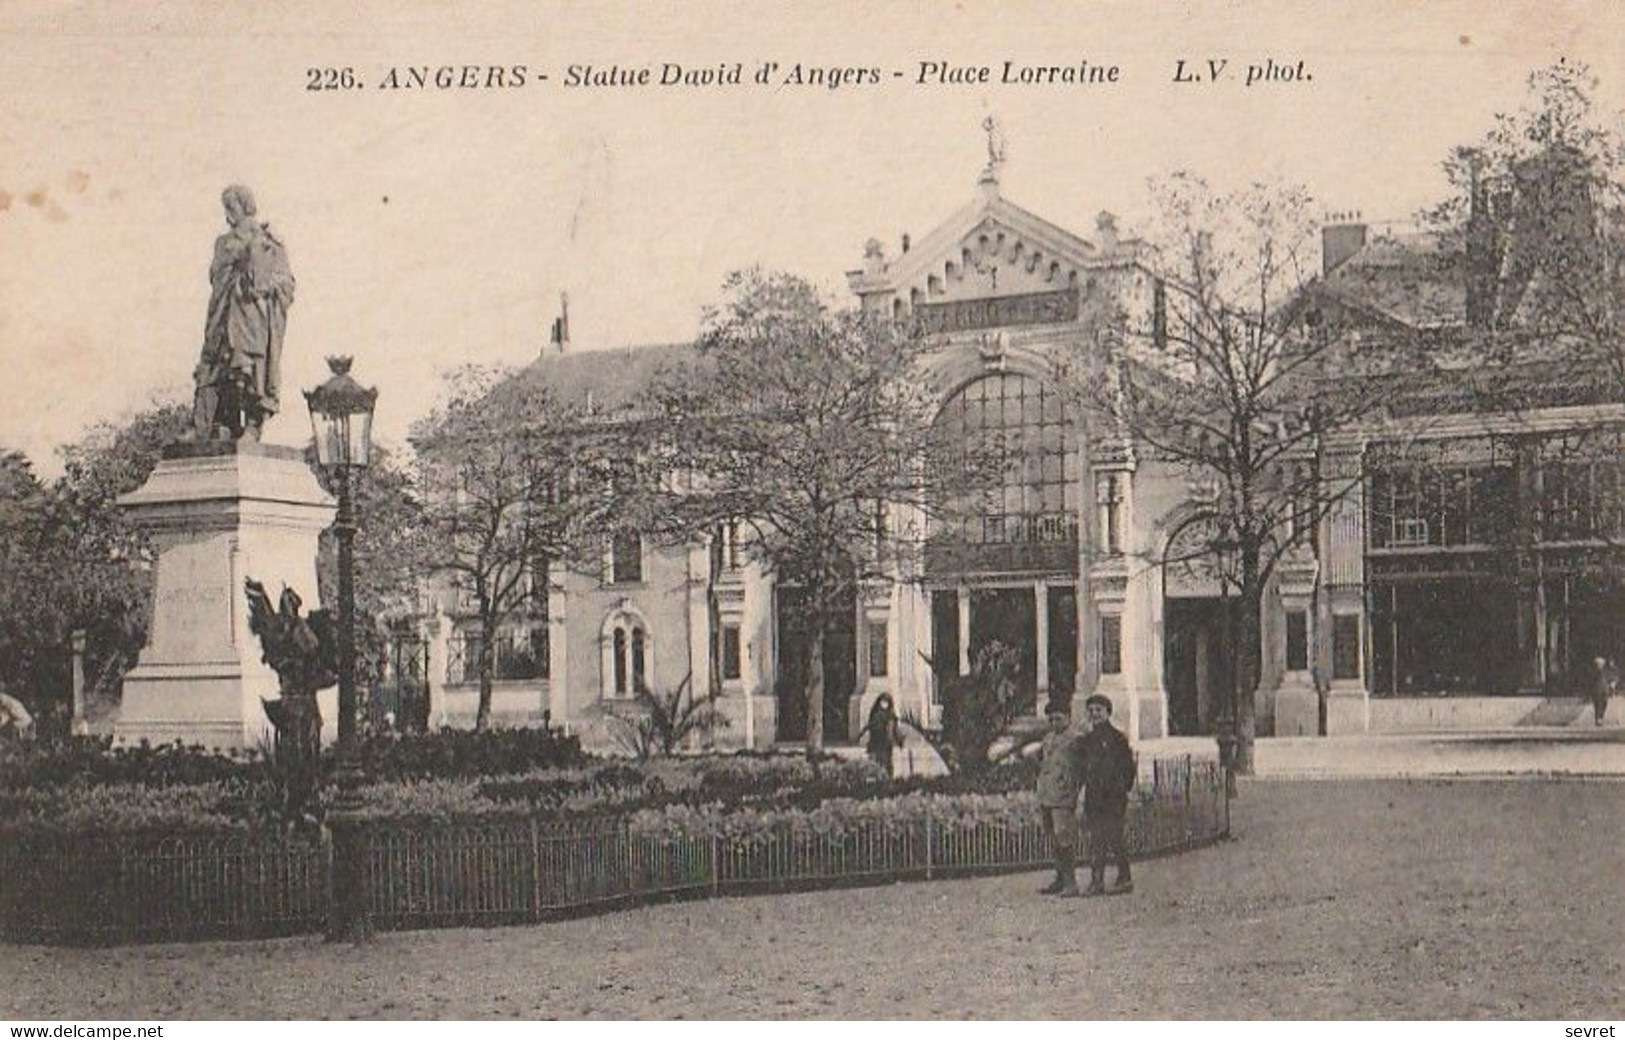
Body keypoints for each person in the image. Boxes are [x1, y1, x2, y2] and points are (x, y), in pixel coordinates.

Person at [193, 184, 296, 441]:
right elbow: (214, 275)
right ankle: (224, 422)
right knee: (219, 366)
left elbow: (285, 282)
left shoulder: (267, 241)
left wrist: (263, 280)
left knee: (251, 368)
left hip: (252, 316)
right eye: (224, 208)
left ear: (246, 206)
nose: (227, 214)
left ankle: (252, 423)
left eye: (232, 207)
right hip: (221, 315)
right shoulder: (222, 243)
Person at [1079, 693, 1137, 896]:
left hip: (1113, 797)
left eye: (1099, 710)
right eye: (1092, 711)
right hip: (1094, 796)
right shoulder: (1087, 740)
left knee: (1115, 837)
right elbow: (1082, 768)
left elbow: (1128, 767)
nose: (1095, 714)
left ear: (1108, 713)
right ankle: (1097, 881)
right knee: (1096, 840)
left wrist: (1122, 789)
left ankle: (1125, 877)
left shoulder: (1117, 739)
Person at [1034, 699, 1087, 896]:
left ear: (1068, 717)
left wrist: (1075, 789)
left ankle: (1071, 883)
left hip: (1064, 795)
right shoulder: (1048, 739)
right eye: (1052, 719)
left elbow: (1082, 768)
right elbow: (1041, 762)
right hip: (1047, 793)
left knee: (1064, 837)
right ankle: (1059, 878)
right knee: (1053, 838)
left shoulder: (1076, 739)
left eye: (1059, 718)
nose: (1055, 723)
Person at [857, 693, 904, 775]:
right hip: (875, 742)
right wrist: (862, 733)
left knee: (886, 763)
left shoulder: (891, 715)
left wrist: (899, 740)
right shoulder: (875, 713)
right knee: (876, 763)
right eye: (883, 701)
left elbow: (894, 729)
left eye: (886, 702)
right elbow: (870, 724)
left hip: (885, 743)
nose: (884, 704)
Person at [1589, 656, 1617, 727]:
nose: (1599, 665)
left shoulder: (1606, 671)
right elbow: (1590, 681)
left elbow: (1611, 677)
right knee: (1598, 703)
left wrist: (1612, 684)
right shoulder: (1594, 672)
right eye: (1598, 664)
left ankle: (1600, 716)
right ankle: (1598, 718)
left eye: (1601, 664)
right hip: (1596, 689)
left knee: (1605, 702)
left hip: (1605, 689)